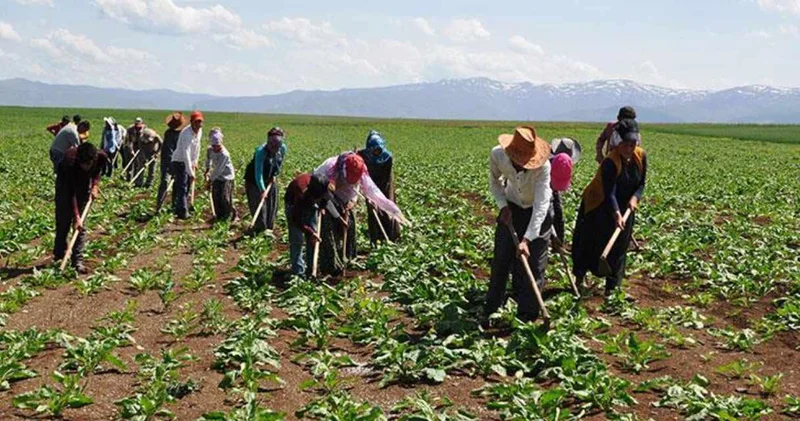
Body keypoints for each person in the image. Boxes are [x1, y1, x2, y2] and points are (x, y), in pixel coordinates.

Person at [483, 126, 552, 326]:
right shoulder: (497, 155)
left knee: (534, 264)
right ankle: (491, 308)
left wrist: (527, 239)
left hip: (537, 213)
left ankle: (527, 316)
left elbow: (541, 205)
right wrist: (503, 206)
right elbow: (494, 182)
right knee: (501, 259)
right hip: (512, 206)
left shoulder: (544, 167)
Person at [572, 119, 647, 297]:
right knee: (590, 241)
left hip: (626, 206)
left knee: (620, 245)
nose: (629, 148)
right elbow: (609, 192)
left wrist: (635, 198)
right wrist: (616, 214)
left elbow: (641, 183)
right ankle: (579, 278)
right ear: (618, 143)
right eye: (625, 144)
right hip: (599, 204)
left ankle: (612, 289)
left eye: (632, 144)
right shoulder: (610, 162)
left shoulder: (641, 157)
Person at [313, 151, 407, 277]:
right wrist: (338, 217)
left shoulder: (361, 169)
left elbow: (364, 189)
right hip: (326, 197)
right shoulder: (328, 169)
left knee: (350, 227)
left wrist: (352, 201)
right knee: (329, 230)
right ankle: (331, 266)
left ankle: (348, 258)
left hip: (347, 196)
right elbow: (324, 197)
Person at [54, 142, 108, 274]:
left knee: (80, 228)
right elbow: (70, 192)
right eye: (83, 164)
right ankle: (59, 256)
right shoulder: (69, 162)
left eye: (88, 164)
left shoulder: (101, 157)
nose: (86, 167)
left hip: (83, 188)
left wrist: (95, 185)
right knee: (63, 222)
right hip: (65, 188)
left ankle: (77, 261)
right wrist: (77, 216)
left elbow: (97, 172)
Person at [284, 173, 341, 277]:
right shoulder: (301, 194)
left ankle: (311, 270)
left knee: (314, 239)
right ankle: (298, 273)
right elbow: (296, 220)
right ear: (314, 196)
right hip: (293, 205)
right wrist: (310, 232)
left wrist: (322, 207)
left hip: (310, 203)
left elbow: (325, 199)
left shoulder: (324, 186)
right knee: (297, 240)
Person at [357, 130, 401, 244]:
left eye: (378, 150)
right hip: (369, 184)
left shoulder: (387, 157)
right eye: (374, 150)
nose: (376, 152)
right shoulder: (363, 155)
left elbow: (386, 177)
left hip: (385, 183)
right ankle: (375, 238)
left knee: (388, 207)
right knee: (373, 211)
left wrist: (379, 196)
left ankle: (392, 237)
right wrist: (370, 194)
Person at [244, 127, 286, 232]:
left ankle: (269, 228)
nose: (274, 148)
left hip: (270, 178)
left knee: (272, 204)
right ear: (268, 142)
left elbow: (279, 162)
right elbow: (258, 174)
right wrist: (262, 190)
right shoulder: (261, 152)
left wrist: (275, 174)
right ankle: (259, 229)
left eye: (277, 146)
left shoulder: (282, 148)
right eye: (272, 145)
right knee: (259, 204)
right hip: (254, 181)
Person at [549, 137, 582, 247]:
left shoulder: (563, 162)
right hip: (541, 185)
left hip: (553, 185)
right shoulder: (545, 163)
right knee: (548, 214)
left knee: (558, 213)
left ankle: (559, 243)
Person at [170, 111, 203, 219]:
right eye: (196, 122)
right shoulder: (186, 134)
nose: (199, 124)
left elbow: (198, 147)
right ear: (191, 122)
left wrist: (195, 161)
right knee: (183, 186)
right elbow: (186, 153)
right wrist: (190, 172)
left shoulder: (200, 131)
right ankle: (183, 212)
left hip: (188, 161)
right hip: (179, 161)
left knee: (183, 186)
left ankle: (176, 206)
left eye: (200, 122)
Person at [204, 128, 237, 222]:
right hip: (217, 177)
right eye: (213, 146)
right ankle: (219, 216)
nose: (215, 148)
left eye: (217, 146)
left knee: (225, 197)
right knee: (216, 196)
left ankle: (231, 215)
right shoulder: (210, 150)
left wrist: (210, 181)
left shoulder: (224, 154)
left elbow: (218, 170)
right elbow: (208, 160)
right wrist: (207, 170)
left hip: (227, 177)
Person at [156, 112, 187, 212]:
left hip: (179, 162)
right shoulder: (168, 134)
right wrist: (171, 166)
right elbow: (168, 151)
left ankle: (175, 205)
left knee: (178, 184)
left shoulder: (183, 133)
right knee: (165, 182)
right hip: (167, 162)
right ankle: (159, 206)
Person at [127, 117, 147, 184]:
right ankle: (129, 178)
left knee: (139, 163)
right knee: (131, 163)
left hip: (141, 147)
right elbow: (129, 141)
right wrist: (131, 150)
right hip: (133, 146)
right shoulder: (130, 130)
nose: (138, 127)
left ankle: (137, 179)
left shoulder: (145, 129)